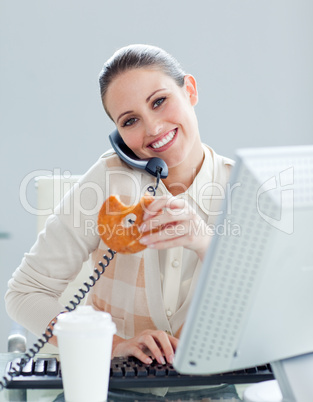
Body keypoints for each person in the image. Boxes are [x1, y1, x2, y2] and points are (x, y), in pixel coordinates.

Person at [5, 44, 234, 368]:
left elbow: (273, 312)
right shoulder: (107, 183)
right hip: (114, 387)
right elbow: (24, 295)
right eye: (130, 121)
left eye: (159, 101)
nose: (153, 128)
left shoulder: (241, 187)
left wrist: (205, 244)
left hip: (217, 383)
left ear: (190, 91)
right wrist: (113, 345)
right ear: (118, 134)